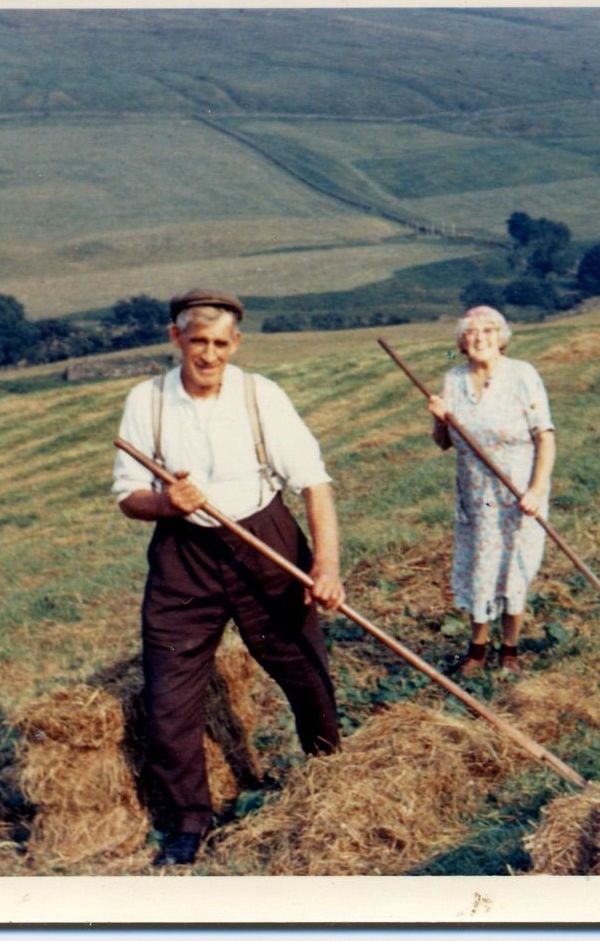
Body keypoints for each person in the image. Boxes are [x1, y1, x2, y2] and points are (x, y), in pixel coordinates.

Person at [112, 288, 344, 867]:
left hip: (264, 539)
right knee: (170, 693)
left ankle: (331, 771)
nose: (209, 355)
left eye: (220, 344)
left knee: (302, 668)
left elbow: (312, 481)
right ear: (175, 339)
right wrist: (167, 502)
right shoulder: (148, 401)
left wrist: (327, 565)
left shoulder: (262, 396)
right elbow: (127, 497)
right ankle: (190, 820)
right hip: (183, 555)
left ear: (235, 344)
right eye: (197, 342)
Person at [426, 305, 555, 678]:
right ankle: (477, 649)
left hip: (519, 493)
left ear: (501, 339)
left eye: (488, 330)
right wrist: (439, 419)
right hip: (477, 496)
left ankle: (510, 650)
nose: (480, 338)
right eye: (471, 332)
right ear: (462, 342)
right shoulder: (453, 380)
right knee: (482, 568)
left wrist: (536, 489)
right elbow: (443, 443)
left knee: (514, 566)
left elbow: (545, 437)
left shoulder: (522, 375)